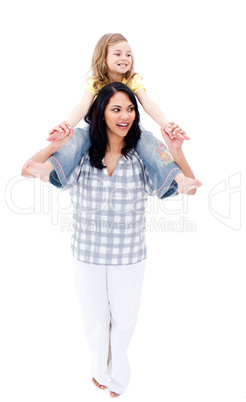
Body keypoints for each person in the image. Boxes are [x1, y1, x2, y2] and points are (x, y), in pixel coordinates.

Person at [22, 83, 202, 397]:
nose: (125, 116)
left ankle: (119, 373)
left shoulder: (141, 157)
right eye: (116, 109)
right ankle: (99, 370)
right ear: (101, 112)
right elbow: (26, 172)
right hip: (87, 254)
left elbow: (187, 186)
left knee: (124, 321)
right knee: (95, 321)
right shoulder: (82, 155)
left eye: (130, 109)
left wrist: (177, 152)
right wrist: (53, 147)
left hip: (129, 256)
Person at [36, 33, 191, 198]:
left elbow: (148, 103)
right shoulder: (96, 81)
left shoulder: (132, 79)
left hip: (129, 130)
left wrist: (165, 124)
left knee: (153, 147)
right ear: (103, 59)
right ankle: (49, 167)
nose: (125, 58)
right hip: (97, 129)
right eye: (118, 54)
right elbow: (83, 105)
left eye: (128, 54)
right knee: (75, 142)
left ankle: (178, 177)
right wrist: (68, 125)